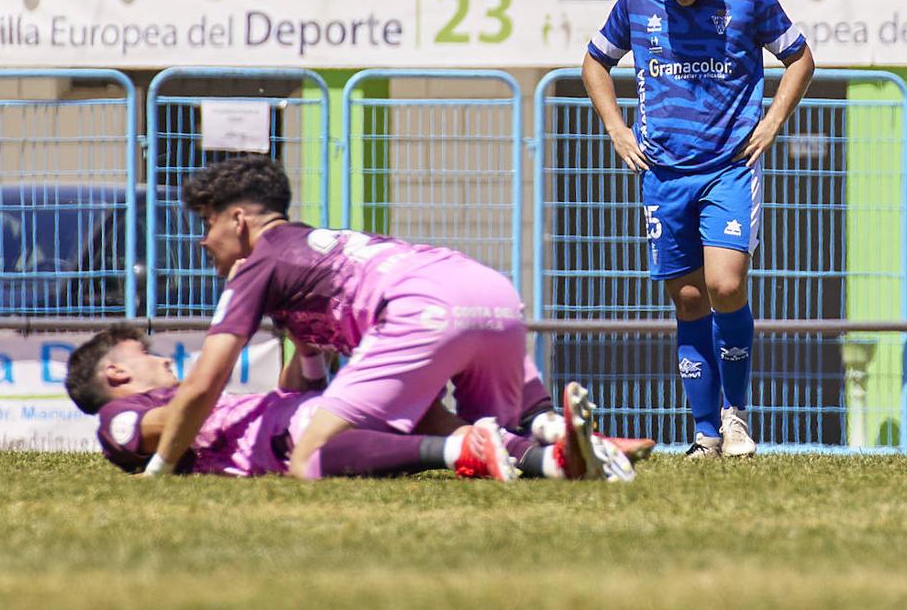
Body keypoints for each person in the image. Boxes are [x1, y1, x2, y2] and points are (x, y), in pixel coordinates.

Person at [141, 155, 635, 480]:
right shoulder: (319, 247)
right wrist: (306, 354)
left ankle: (538, 436)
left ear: (238, 220)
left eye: (207, 225)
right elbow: (317, 380)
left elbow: (205, 383)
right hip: (489, 290)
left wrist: (159, 469)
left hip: (425, 309)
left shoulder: (259, 263)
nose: (203, 241)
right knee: (484, 433)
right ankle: (557, 444)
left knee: (309, 456)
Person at [581, 0, 814, 458]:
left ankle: (736, 416)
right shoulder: (637, 2)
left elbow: (799, 58)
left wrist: (772, 121)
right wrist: (617, 128)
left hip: (728, 165)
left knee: (726, 285)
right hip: (662, 171)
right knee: (687, 299)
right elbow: (595, 63)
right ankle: (704, 432)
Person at [66, 325, 636, 481]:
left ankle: (552, 439)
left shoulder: (187, 394)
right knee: (324, 427)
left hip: (303, 415)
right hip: (289, 438)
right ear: (117, 373)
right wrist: (201, 388)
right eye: (144, 353)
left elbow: (298, 392)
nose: (161, 357)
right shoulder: (120, 418)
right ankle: (494, 446)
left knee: (464, 337)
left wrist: (306, 348)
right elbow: (157, 432)